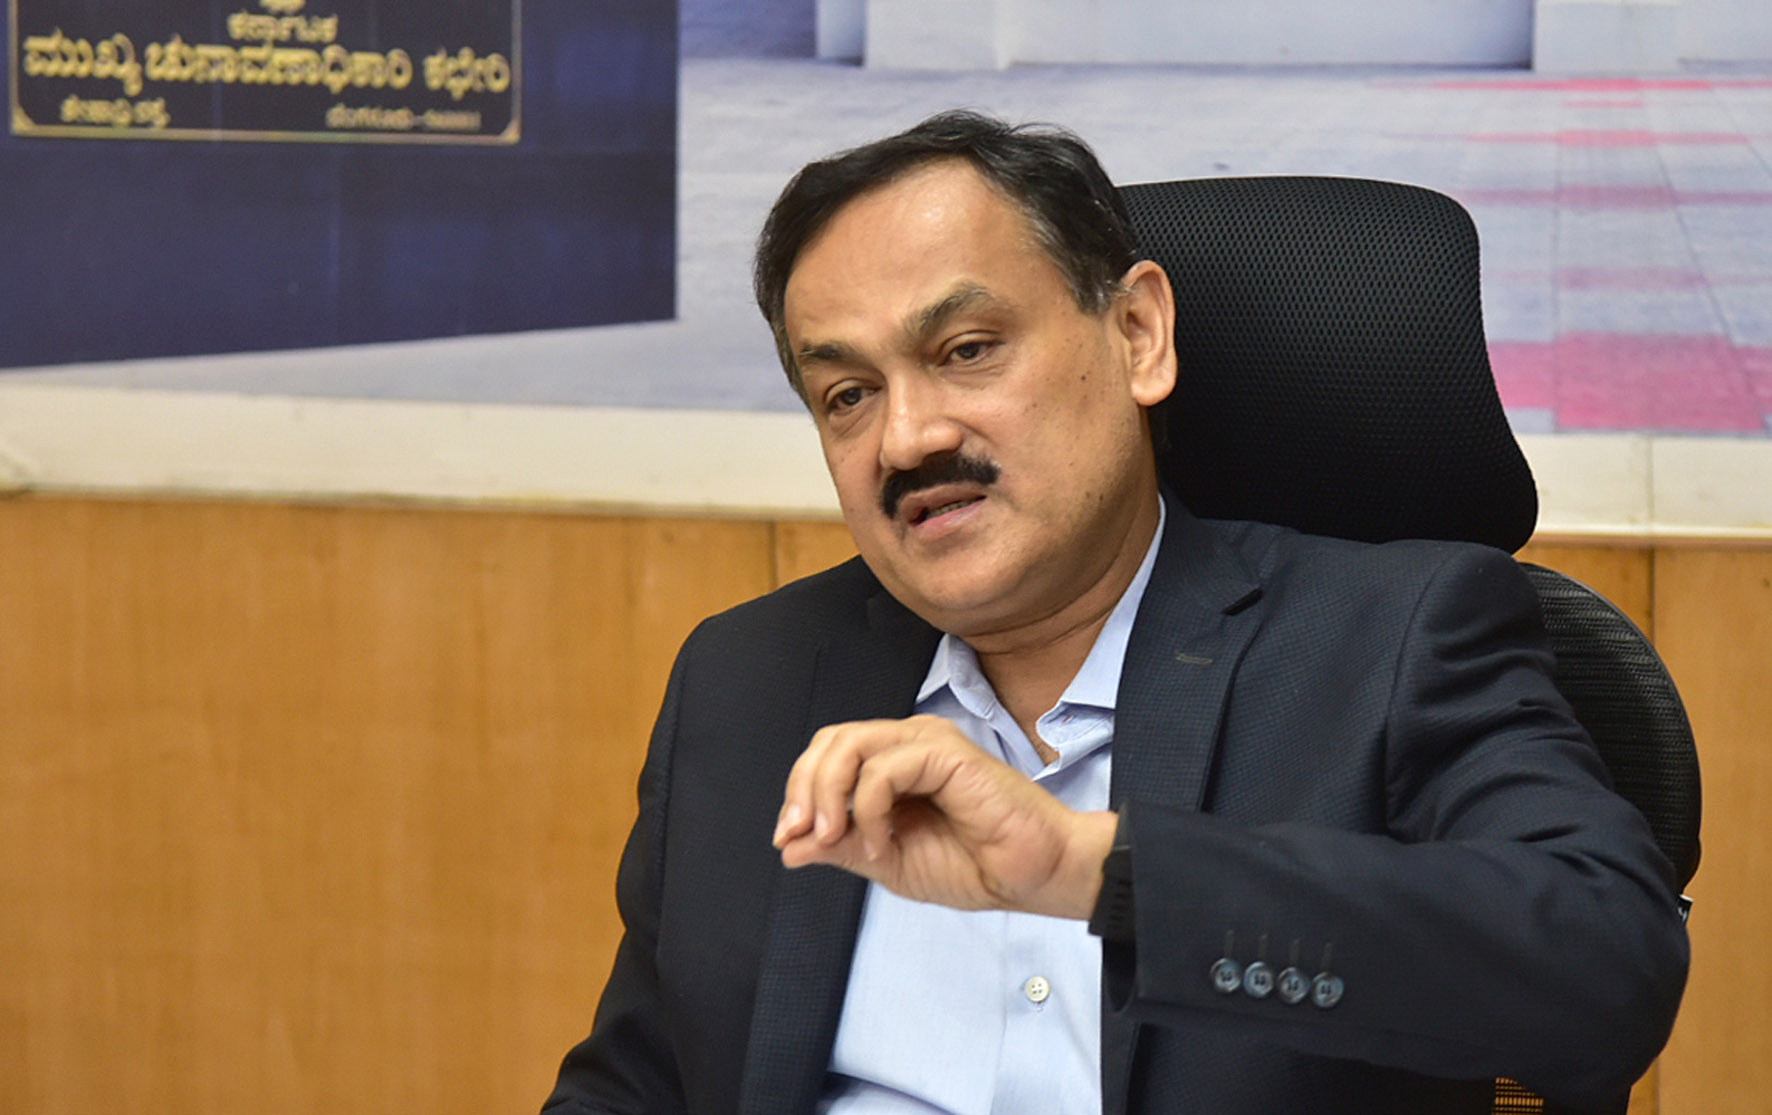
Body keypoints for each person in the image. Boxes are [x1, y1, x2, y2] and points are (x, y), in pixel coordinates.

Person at [543, 111, 1687, 1115]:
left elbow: (1603, 976)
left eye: (966, 349)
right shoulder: (749, 676)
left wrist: (1093, 869)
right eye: (847, 394)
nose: (906, 437)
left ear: (1137, 334)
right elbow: (634, 1086)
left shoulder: (1387, 639)